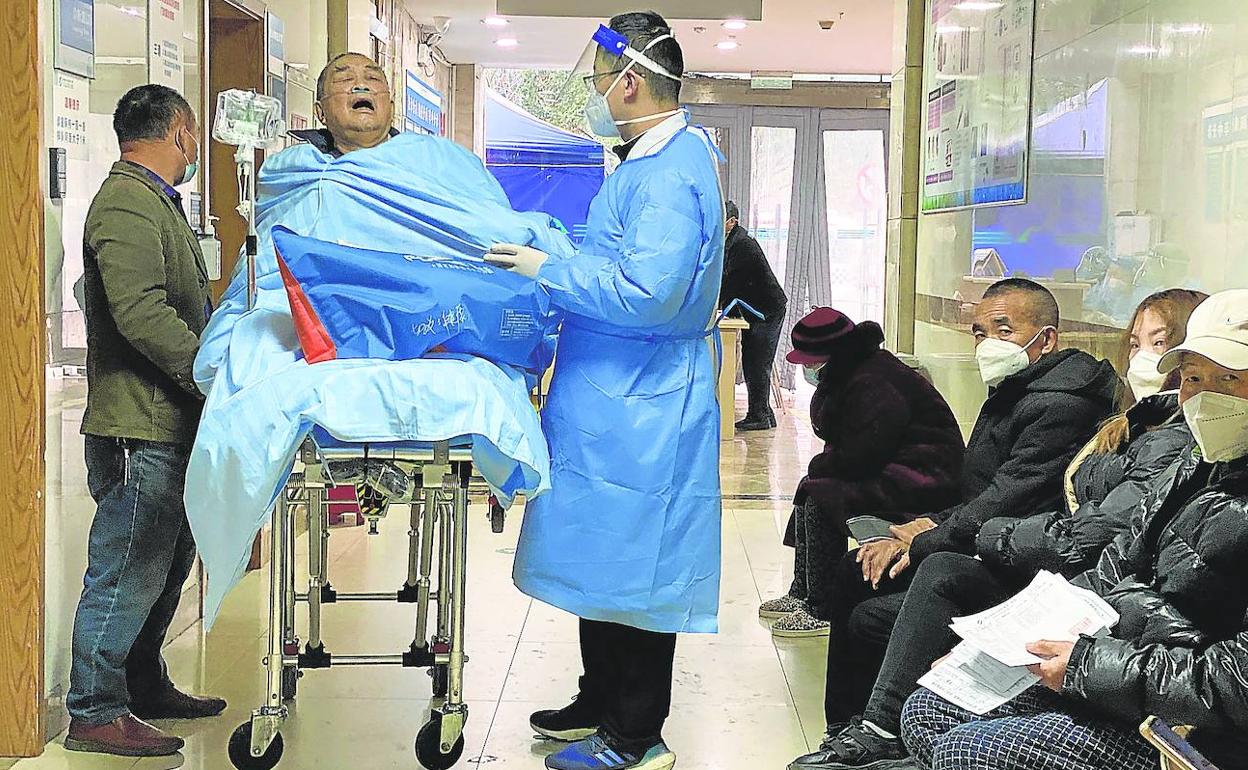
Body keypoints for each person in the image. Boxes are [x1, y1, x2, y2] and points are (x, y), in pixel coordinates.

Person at [789, 288, 1205, 769]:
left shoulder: (1076, 409)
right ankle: (854, 728)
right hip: (1067, 581)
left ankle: (879, 727)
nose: (989, 344)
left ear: (1046, 339)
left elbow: (1053, 520)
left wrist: (933, 537)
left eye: (1005, 331)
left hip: (1076, 600)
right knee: (863, 571)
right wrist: (930, 529)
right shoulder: (1122, 420)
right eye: (1134, 344)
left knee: (936, 571)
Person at [486, 12, 722, 770]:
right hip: (608, 396)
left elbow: (649, 293)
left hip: (646, 402)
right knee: (600, 565)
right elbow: (609, 257)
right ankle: (599, 698)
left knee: (638, 571)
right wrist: (549, 246)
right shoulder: (642, 163)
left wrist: (545, 269)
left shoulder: (676, 170)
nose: (592, 93)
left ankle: (635, 735)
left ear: (629, 81)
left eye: (597, 79)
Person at [900, 288, 1248, 770]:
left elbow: (1235, 683)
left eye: (1228, 378)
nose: (1205, 397)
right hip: (1123, 664)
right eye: (1193, 377)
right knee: (931, 707)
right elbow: (1113, 564)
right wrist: (1001, 645)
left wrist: (1086, 667)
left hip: (1191, 727)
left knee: (966, 751)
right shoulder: (1197, 461)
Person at [64, 85, 223, 758]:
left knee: (166, 562)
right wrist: (212, 374)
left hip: (169, 423)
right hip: (139, 426)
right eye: (193, 139)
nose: (194, 150)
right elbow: (142, 314)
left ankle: (142, 681)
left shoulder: (155, 202)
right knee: (128, 566)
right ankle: (95, 709)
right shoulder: (128, 201)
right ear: (181, 133)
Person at [759, 307, 964, 638]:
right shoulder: (854, 370)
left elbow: (862, 454)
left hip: (924, 478)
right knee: (811, 488)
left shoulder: (873, 381)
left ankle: (821, 608)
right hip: (897, 466)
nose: (808, 368)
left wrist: (820, 469)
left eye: (811, 360)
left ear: (832, 353)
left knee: (821, 497)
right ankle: (802, 591)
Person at [719, 200, 787, 430]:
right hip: (756, 311)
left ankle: (759, 416)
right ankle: (765, 414)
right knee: (753, 361)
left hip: (768, 311)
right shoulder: (731, 242)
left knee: (757, 363)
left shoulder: (743, 245)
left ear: (732, 222)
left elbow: (728, 282)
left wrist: (716, 309)